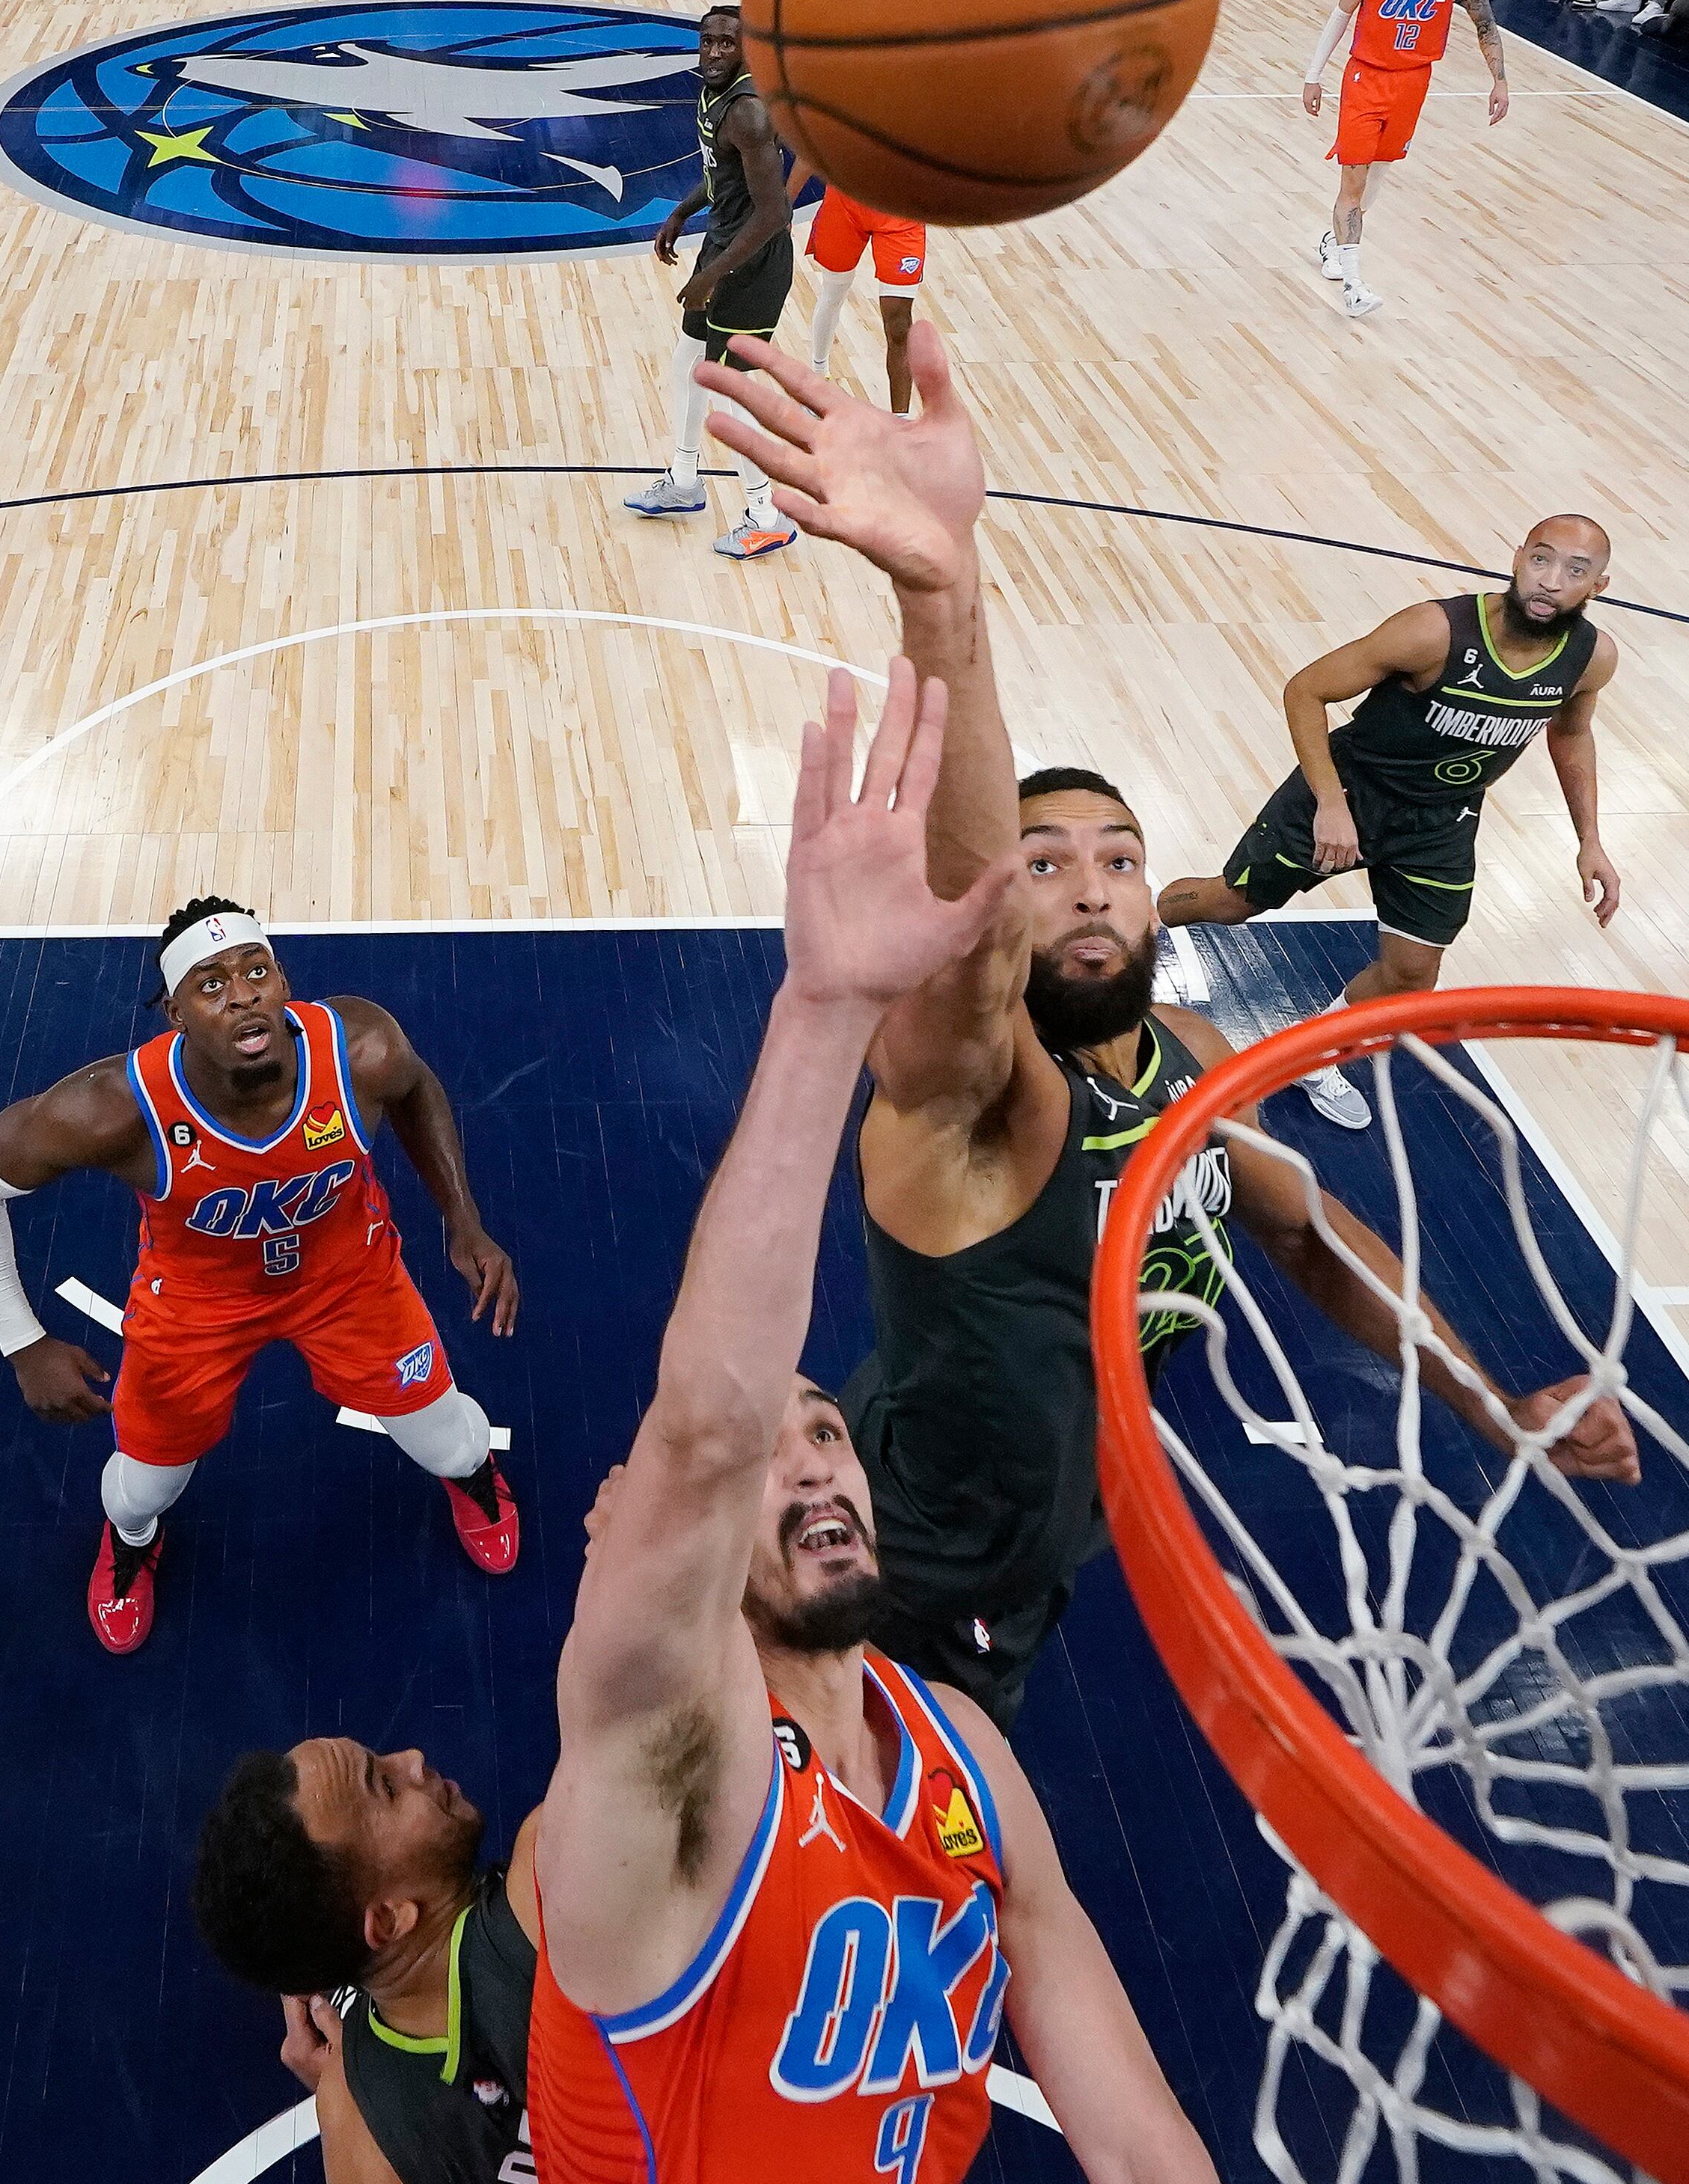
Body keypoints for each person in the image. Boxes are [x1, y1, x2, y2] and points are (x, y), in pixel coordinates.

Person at [697, 342, 1637, 1730]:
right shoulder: (966, 1092)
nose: (1084, 877)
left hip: (1045, 1522)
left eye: (1119, 856)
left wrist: (1492, 1404)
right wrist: (939, 592)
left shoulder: (1190, 1052)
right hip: (892, 1557)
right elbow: (968, 952)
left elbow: (1312, 1234)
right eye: (1044, 858)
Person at [528, 655, 1218, 2183]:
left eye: (826, 1431)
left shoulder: (959, 1755)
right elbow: (711, 1431)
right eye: (770, 1471)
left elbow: (1142, 2135)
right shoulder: (677, 1771)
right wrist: (826, 1012)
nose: (809, 1463)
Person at [0, 896, 522, 1654]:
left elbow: (415, 1090)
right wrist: (21, 1342)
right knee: (142, 1488)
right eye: (211, 985)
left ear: (281, 981)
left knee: (451, 1442)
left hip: (347, 1278)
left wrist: (461, 1217)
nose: (242, 992)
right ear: (175, 1012)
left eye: (255, 969)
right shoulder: (115, 1108)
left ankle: (475, 1479)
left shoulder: (360, 1048)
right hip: (199, 1304)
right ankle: (133, 1540)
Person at [1158, 519, 1620, 1125]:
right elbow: (1306, 690)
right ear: (1517, 558)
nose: (1550, 581)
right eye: (1541, 560)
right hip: (1352, 791)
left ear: (1599, 585)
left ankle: (1310, 1056)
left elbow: (1572, 733)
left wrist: (1590, 838)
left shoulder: (1591, 657)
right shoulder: (1434, 631)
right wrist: (1329, 803)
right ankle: (1133, 917)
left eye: (1574, 570)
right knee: (1229, 903)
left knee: (1411, 974)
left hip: (1441, 820)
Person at [193, 1743, 537, 2184]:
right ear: (390, 1918)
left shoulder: (351, 2124)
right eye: (389, 1788)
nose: (413, 1759)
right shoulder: (547, 1880)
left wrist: (358, 2091)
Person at [621, 5, 798, 560]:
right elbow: (719, 172)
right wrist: (681, 210)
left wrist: (711, 276)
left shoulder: (748, 112)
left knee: (735, 394)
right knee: (686, 364)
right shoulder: (712, 95)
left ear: (747, 50)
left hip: (755, 262)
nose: (715, 52)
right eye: (708, 42)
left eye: (727, 44)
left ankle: (766, 513)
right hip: (724, 248)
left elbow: (775, 213)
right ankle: (683, 479)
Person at [1301, 0, 1509, 316]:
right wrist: (1313, 75)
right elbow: (1340, 16)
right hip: (1366, 77)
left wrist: (1500, 80)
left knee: (1379, 171)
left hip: (1414, 82)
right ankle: (1354, 284)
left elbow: (1485, 25)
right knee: (1353, 180)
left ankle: (1332, 240)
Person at [789, 168, 925, 412]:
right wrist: (784, 207)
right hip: (846, 204)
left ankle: (901, 422)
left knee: (899, 324)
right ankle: (818, 376)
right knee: (833, 291)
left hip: (902, 215)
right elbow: (810, 154)